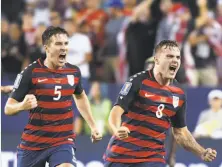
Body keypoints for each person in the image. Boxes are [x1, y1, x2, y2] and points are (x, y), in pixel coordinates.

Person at [103, 40, 217, 167]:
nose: (175, 60)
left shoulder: (178, 93)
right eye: (169, 56)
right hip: (122, 156)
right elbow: (116, 111)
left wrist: (201, 151)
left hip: (153, 157)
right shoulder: (138, 82)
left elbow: (180, 133)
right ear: (156, 60)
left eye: (177, 57)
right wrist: (117, 129)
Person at [4, 26, 102, 167]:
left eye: (66, 44)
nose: (63, 48)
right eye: (58, 44)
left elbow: (80, 97)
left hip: (62, 140)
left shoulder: (73, 72)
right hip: (34, 143)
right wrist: (22, 106)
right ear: (47, 48)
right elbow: (8, 108)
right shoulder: (30, 72)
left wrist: (93, 126)